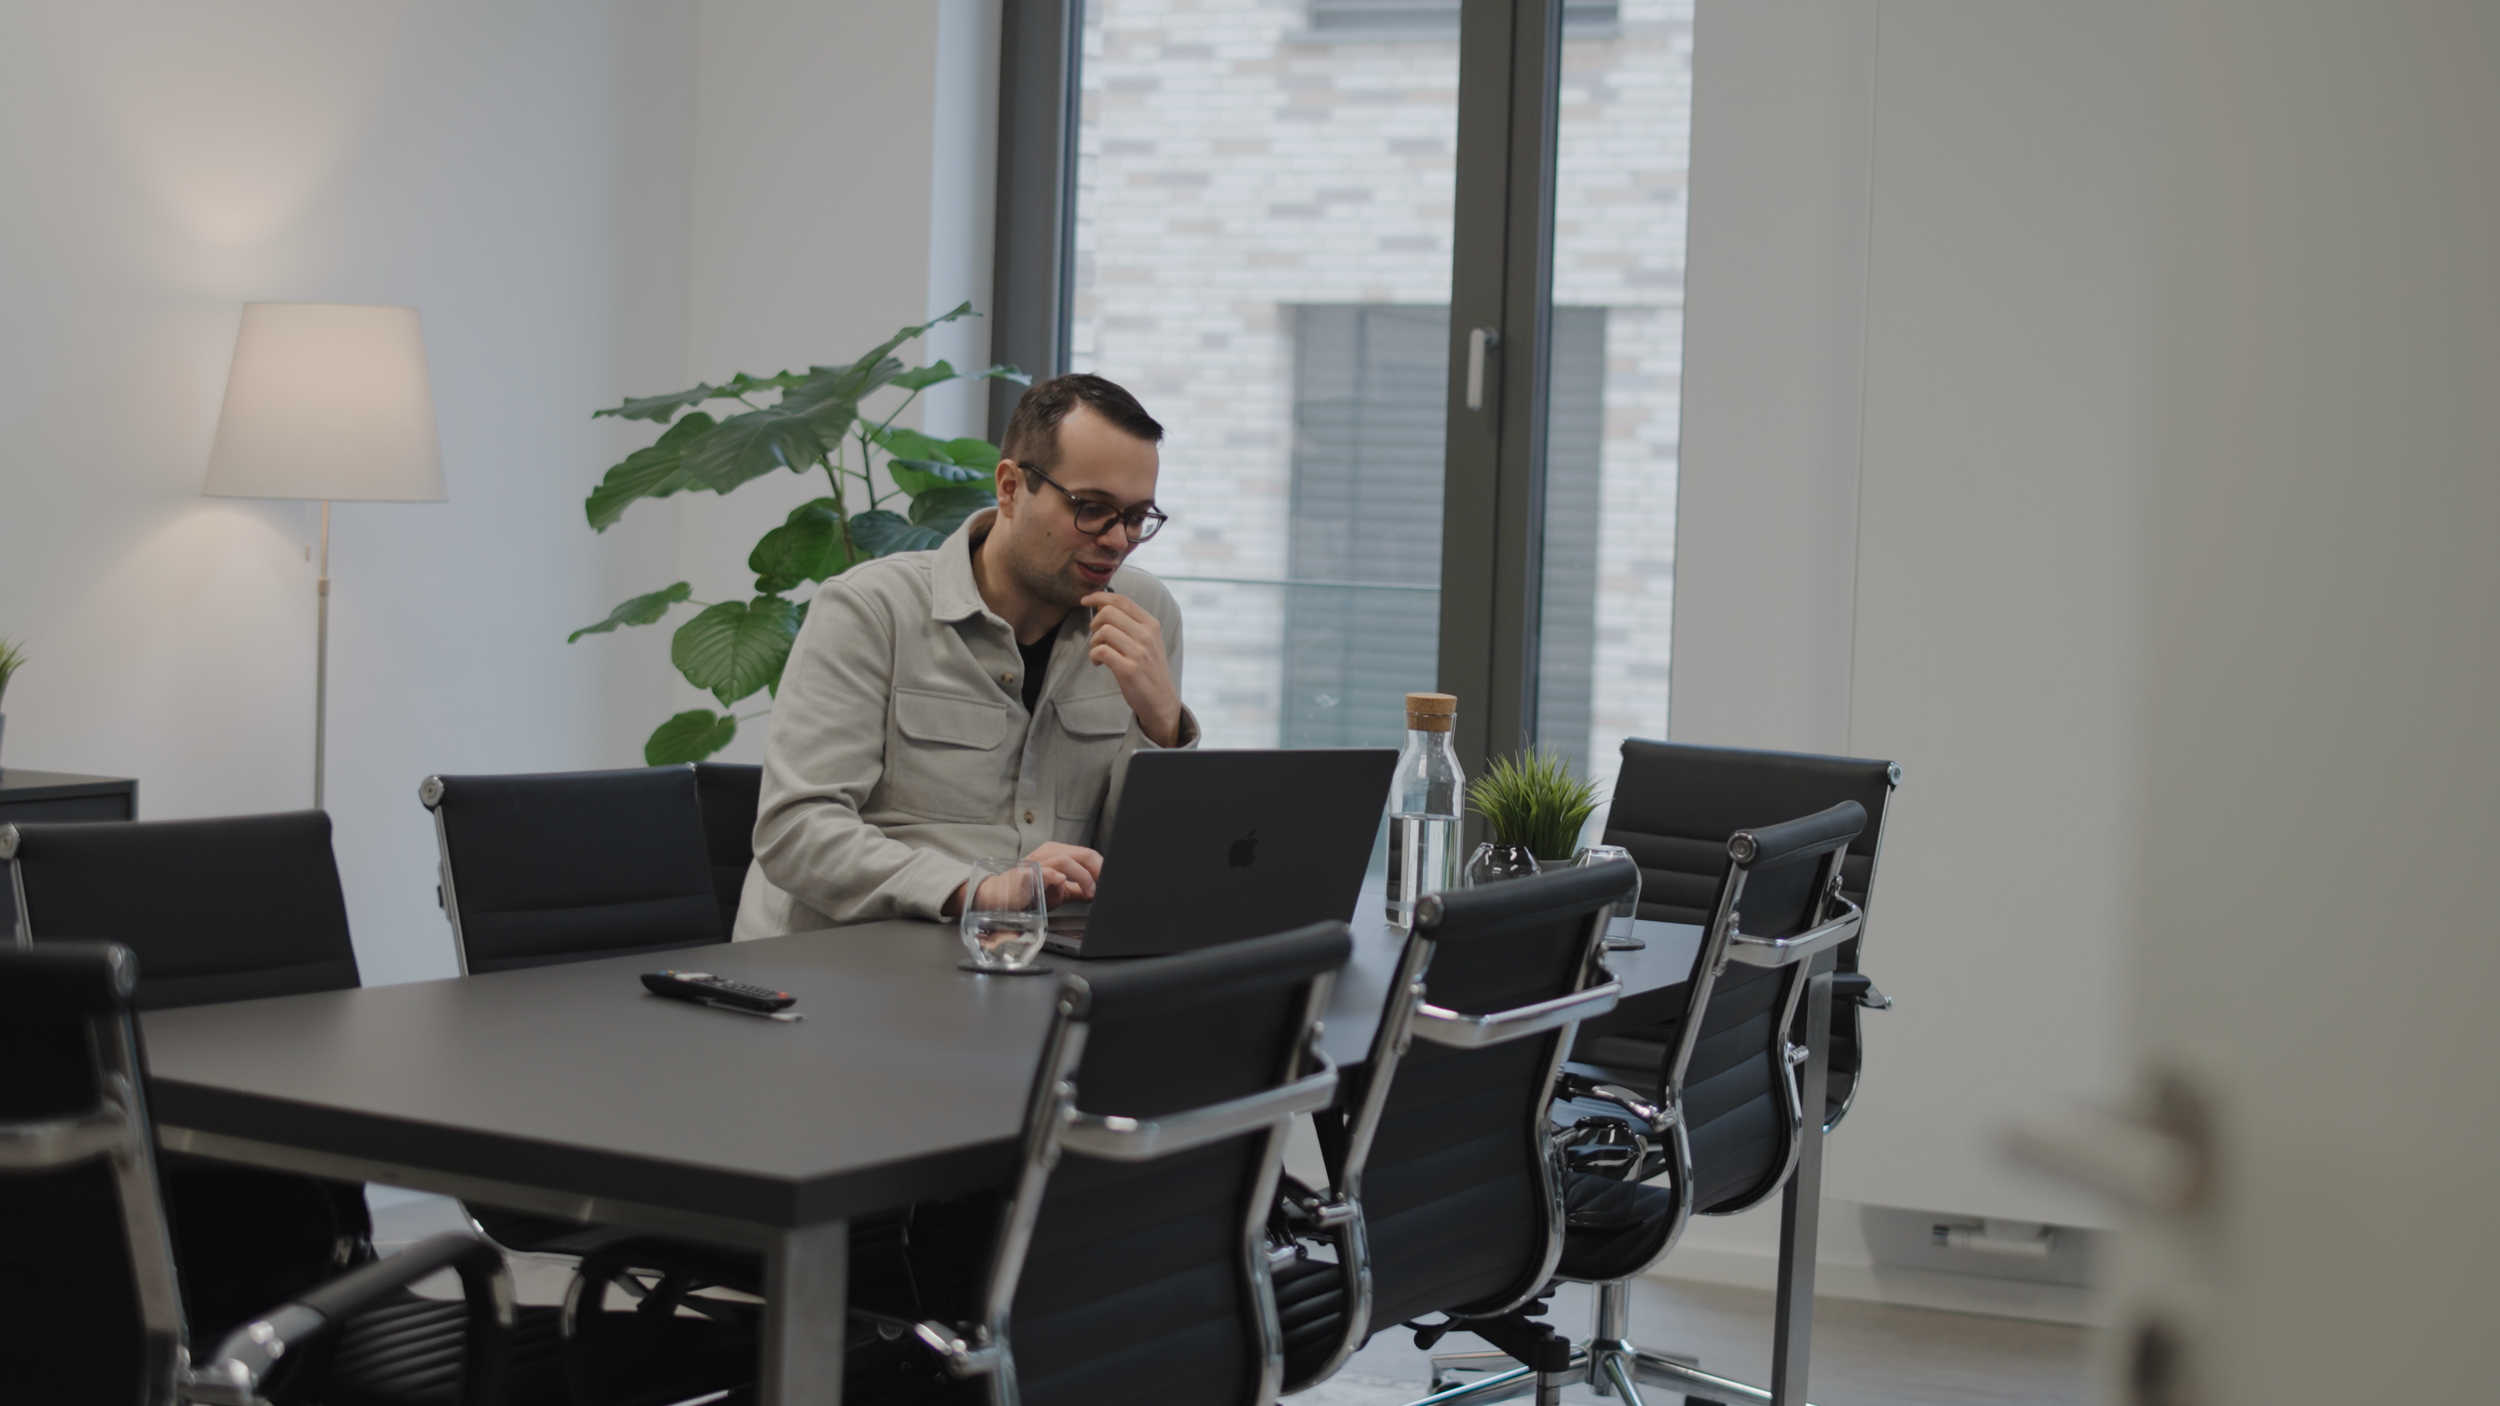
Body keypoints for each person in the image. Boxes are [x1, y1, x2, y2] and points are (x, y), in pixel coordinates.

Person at [731, 373, 1198, 939]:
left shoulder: (1145, 616)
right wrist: (974, 891)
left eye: (1136, 517)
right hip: (849, 967)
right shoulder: (871, 609)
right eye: (1092, 508)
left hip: (1031, 963)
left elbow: (1141, 865)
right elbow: (796, 831)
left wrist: (1161, 725)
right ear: (1009, 487)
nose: (1117, 539)